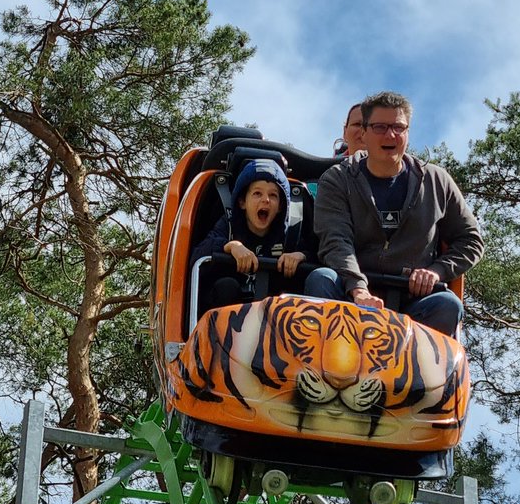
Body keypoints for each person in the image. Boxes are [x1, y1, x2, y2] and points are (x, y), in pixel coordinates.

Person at [305, 90, 483, 336]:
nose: (390, 135)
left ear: (408, 133)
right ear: (364, 133)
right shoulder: (337, 180)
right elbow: (335, 241)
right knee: (321, 279)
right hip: (349, 295)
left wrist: (436, 271)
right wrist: (358, 288)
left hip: (413, 302)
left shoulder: (435, 181)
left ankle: (420, 372)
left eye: (398, 127)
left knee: (448, 305)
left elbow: (471, 240)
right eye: (380, 127)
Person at [191, 158, 311, 311]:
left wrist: (301, 256)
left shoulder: (290, 234)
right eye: (257, 193)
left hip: (272, 321)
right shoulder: (228, 225)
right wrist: (230, 246)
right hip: (228, 317)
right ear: (242, 202)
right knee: (227, 286)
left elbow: (315, 257)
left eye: (273, 195)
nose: (266, 200)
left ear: (281, 207)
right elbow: (196, 257)